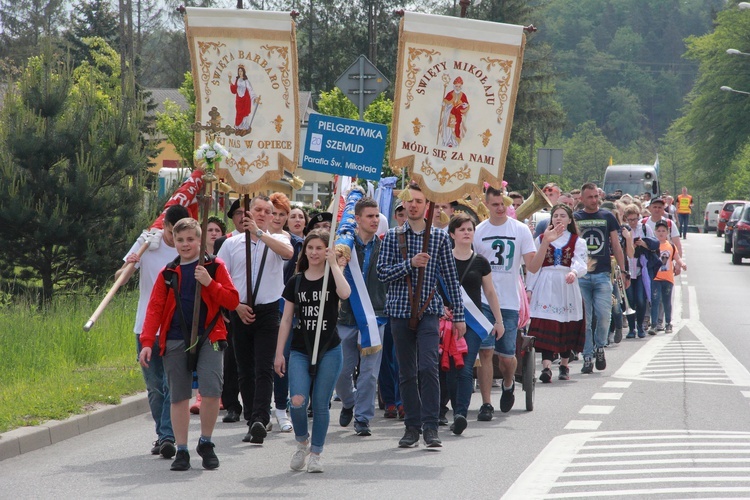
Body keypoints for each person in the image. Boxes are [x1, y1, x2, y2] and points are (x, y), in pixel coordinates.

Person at [138, 218, 240, 471]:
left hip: (210, 337)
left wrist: (209, 283)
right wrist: (148, 341)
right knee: (178, 396)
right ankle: (181, 449)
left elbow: (232, 300)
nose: (185, 245)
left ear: (200, 240)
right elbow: (154, 310)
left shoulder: (214, 267)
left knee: (212, 390)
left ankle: (205, 442)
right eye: (180, 240)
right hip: (174, 338)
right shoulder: (168, 272)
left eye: (190, 240)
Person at [377, 183, 466, 448]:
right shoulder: (393, 236)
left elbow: (451, 279)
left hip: (429, 311)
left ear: (427, 205)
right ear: (403, 205)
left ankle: (430, 427)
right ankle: (411, 427)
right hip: (399, 312)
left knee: (428, 367)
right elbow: (382, 273)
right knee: (406, 372)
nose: (413, 205)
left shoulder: (438, 237)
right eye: (409, 201)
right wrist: (410, 263)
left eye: (419, 201)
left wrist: (459, 315)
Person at [217, 195, 294, 444]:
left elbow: (288, 253)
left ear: (272, 216)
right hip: (239, 310)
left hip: (268, 310)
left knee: (263, 366)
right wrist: (235, 306)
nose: (262, 214)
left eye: (267, 211)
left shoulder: (277, 238)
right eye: (257, 210)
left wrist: (260, 234)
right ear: (246, 213)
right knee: (244, 368)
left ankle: (261, 417)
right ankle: (251, 417)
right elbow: (221, 278)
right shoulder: (231, 244)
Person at [275, 229, 351, 473]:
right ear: (304, 251)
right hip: (300, 349)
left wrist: (334, 265)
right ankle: (301, 442)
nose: (315, 252)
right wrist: (279, 353)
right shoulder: (295, 281)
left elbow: (345, 293)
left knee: (320, 403)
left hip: (329, 348)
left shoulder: (331, 277)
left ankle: (316, 452)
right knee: (297, 401)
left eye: (320, 248)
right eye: (311, 248)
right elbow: (286, 320)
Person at [116, 204, 189, 459]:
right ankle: (162, 434)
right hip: (145, 326)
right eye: (172, 232)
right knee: (155, 386)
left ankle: (168, 436)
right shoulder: (148, 244)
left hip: (175, 328)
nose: (175, 238)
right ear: (165, 226)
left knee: (172, 384)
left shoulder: (187, 248)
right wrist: (132, 261)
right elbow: (120, 279)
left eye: (180, 232)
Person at [473, 186, 536, 416]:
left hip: (509, 301)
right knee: (486, 352)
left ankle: (508, 384)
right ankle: (487, 403)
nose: (500, 209)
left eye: (504, 204)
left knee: (507, 358)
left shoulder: (520, 230)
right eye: (495, 205)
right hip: (482, 301)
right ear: (487, 206)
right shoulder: (479, 231)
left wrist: (546, 241)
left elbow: (532, 266)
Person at [445, 213, 503, 434]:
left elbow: (489, 292)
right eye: (461, 229)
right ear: (452, 234)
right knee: (450, 368)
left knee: (466, 367)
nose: (467, 232)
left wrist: (498, 321)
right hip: (449, 322)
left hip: (473, 323)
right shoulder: (444, 259)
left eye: (470, 229)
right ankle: (453, 409)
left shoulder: (480, 261)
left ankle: (460, 413)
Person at [335, 198, 387, 437]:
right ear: (357, 219)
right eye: (369, 216)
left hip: (375, 316)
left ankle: (363, 418)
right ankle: (348, 402)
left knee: (370, 372)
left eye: (377, 216)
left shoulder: (385, 246)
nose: (375, 220)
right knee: (342, 371)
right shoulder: (344, 246)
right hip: (345, 316)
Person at [525, 204, 587, 382]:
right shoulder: (542, 239)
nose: (558, 218)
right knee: (547, 323)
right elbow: (534, 267)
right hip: (546, 283)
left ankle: (564, 365)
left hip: (566, 284)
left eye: (562, 215)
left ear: (569, 220)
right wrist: (529, 288)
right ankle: (546, 367)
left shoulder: (577, 241)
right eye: (555, 216)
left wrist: (573, 272)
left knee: (566, 322)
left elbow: (580, 262)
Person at [573, 183, 628, 374]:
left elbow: (616, 244)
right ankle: (588, 356)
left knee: (604, 316)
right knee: (586, 319)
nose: (594, 200)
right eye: (589, 197)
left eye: (596, 196)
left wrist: (623, 270)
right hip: (582, 276)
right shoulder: (576, 218)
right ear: (581, 198)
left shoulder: (607, 217)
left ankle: (600, 347)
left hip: (603, 274)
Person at [190, 215, 228, 415]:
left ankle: (216, 395)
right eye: (209, 230)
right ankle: (199, 395)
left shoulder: (219, 260)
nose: (213, 233)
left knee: (216, 363)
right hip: (198, 320)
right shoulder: (191, 258)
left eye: (217, 231)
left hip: (221, 318)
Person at [213, 200, 244, 424]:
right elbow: (219, 277)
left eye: (247, 212)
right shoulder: (225, 242)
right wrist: (225, 308)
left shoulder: (265, 240)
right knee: (231, 360)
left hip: (257, 308)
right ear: (232, 218)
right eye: (239, 213)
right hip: (231, 309)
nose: (243, 217)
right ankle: (232, 404)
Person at [268, 192, 295, 433]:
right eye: (273, 213)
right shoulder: (255, 238)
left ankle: (281, 407)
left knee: (281, 357)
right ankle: (262, 407)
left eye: (281, 214)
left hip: (284, 306)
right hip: (260, 304)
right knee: (262, 359)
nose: (277, 218)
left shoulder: (293, 242)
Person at [622, 204, 655, 339]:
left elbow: (654, 245)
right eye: (630, 219)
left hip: (641, 270)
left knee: (641, 300)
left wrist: (643, 244)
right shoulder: (623, 230)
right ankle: (631, 329)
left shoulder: (645, 228)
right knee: (630, 300)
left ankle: (640, 326)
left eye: (635, 219)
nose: (633, 222)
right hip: (629, 270)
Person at [648, 221, 687, 335]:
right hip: (655, 278)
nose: (661, 233)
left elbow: (677, 257)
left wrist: (681, 264)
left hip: (668, 278)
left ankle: (668, 323)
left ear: (667, 232)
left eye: (663, 231)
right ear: (655, 232)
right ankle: (654, 324)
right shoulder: (653, 245)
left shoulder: (671, 246)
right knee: (655, 301)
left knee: (666, 301)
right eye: (658, 231)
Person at [441, 76, 470, 147]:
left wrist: (464, 105)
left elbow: (466, 104)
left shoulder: (463, 95)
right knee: (449, 127)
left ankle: (454, 142)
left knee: (456, 126)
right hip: (449, 114)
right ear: (454, 86)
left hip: (458, 114)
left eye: (459, 86)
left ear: (461, 87)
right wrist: (444, 103)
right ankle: (447, 141)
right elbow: (445, 101)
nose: (458, 88)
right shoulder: (450, 94)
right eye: (456, 86)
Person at [229, 65, 257, 132]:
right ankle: (238, 127)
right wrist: (230, 80)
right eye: (239, 71)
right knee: (238, 113)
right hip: (239, 100)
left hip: (245, 100)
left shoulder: (246, 81)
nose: (240, 72)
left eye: (241, 71)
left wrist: (255, 98)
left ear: (243, 72)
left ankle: (244, 127)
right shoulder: (237, 80)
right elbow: (234, 89)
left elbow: (250, 90)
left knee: (245, 114)